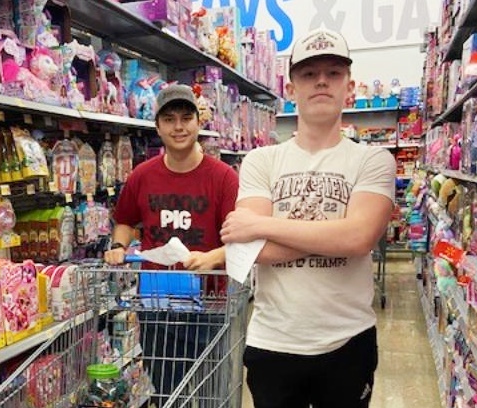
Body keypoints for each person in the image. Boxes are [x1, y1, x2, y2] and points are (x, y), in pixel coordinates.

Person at [220, 28, 396, 408]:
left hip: (348, 342)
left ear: (349, 86)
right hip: (273, 341)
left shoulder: (374, 160)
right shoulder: (260, 161)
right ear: (290, 88)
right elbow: (253, 250)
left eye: (333, 73)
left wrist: (262, 225)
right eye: (308, 73)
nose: (321, 81)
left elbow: (359, 238)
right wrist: (336, 234)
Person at [103, 83, 239, 401]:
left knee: (212, 397)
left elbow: (241, 241)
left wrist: (213, 257)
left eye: (186, 118)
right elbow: (125, 221)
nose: (178, 127)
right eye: (169, 119)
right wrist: (118, 247)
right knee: (167, 397)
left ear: (198, 122)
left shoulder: (223, 178)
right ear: (158, 127)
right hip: (157, 305)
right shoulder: (142, 176)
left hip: (209, 305)